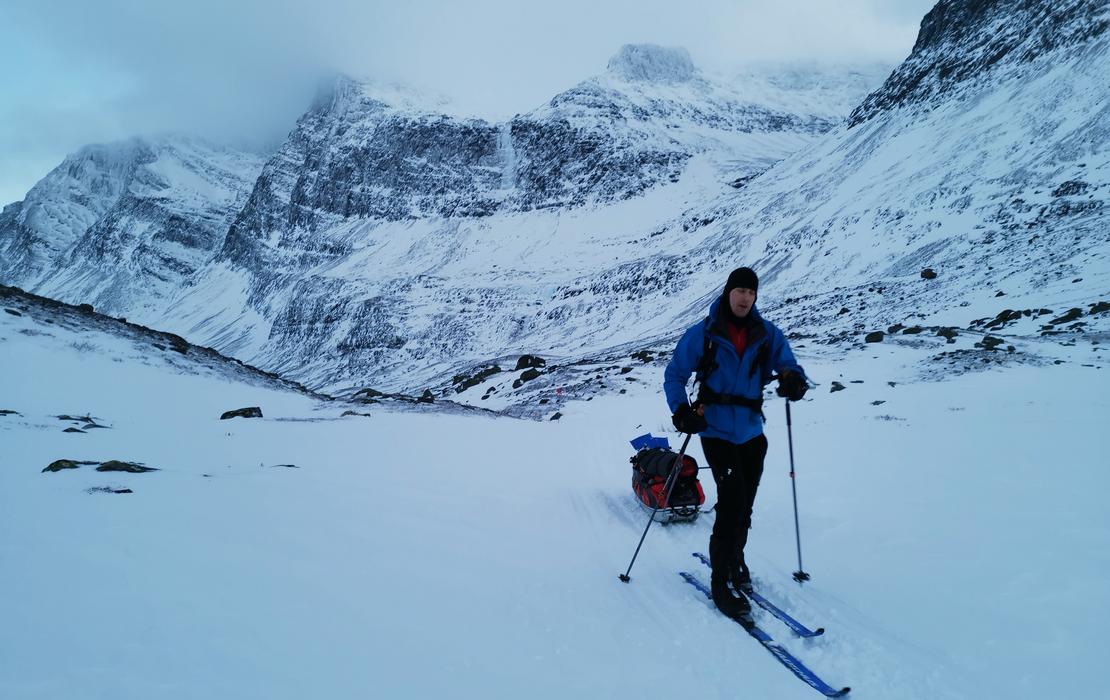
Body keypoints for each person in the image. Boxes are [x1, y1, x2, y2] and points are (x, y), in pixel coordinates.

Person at [663, 267, 808, 621]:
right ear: (728, 293)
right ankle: (720, 579)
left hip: (752, 434)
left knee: (745, 506)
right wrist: (681, 411)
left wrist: (794, 379)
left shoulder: (766, 334)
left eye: (751, 292)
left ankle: (735, 557)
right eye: (739, 290)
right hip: (716, 432)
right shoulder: (704, 334)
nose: (745, 297)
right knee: (732, 502)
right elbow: (674, 375)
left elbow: (789, 364)